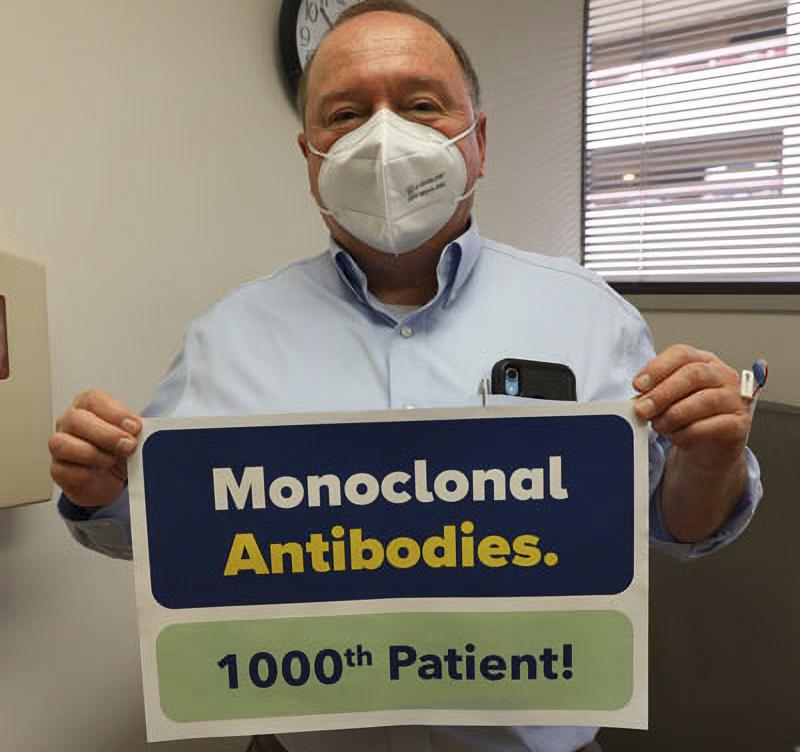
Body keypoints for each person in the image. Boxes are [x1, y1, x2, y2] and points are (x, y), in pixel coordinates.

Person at [49, 1, 762, 750]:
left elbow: (675, 525)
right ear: (311, 158)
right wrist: (99, 490)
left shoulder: (592, 317)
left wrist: (708, 463)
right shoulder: (226, 337)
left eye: (420, 105)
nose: (382, 137)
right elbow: (163, 528)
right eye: (345, 114)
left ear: (477, 142)